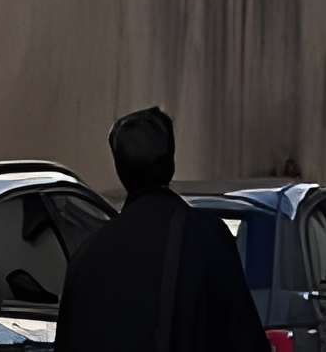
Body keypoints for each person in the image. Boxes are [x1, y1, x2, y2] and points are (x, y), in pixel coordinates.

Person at [56, 106, 267, 351]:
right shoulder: (206, 237)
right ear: (171, 163)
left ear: (120, 170)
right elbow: (242, 336)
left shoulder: (88, 255)